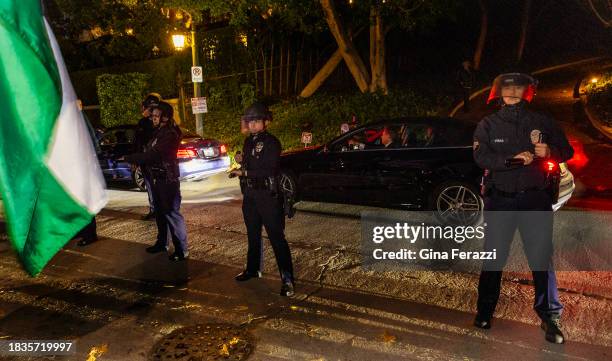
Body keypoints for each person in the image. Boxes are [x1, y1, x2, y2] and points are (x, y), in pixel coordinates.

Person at [472, 72, 574, 344]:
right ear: (498, 93)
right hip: (500, 199)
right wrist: (510, 160)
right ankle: (484, 311)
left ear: (526, 92)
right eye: (507, 88)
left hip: (534, 199)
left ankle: (550, 317)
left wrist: (550, 152)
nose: (512, 92)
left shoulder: (541, 121)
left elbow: (568, 150)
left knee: (541, 259)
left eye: (517, 88)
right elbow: (480, 155)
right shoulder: (488, 124)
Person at [229, 102, 295, 297]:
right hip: (250, 196)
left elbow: (269, 169)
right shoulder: (249, 142)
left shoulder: (272, 142)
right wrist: (242, 160)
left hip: (267, 196)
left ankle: (287, 279)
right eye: (250, 121)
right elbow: (251, 161)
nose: (252, 125)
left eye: (256, 121)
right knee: (252, 234)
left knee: (277, 238)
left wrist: (244, 171)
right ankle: (252, 269)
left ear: (265, 122)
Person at [123, 102, 189, 261]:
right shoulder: (158, 132)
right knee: (159, 213)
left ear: (165, 117)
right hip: (157, 178)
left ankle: (181, 249)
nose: (153, 119)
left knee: (171, 213)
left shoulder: (170, 134)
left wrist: (130, 158)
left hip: (168, 179)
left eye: (156, 116)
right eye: (152, 116)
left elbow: (154, 154)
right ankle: (162, 243)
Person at [134, 94, 161, 220]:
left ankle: (156, 210)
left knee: (152, 185)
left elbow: (139, 142)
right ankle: (158, 210)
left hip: (151, 159)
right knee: (154, 185)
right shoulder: (160, 121)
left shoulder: (145, 123)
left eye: (144, 107)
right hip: (154, 159)